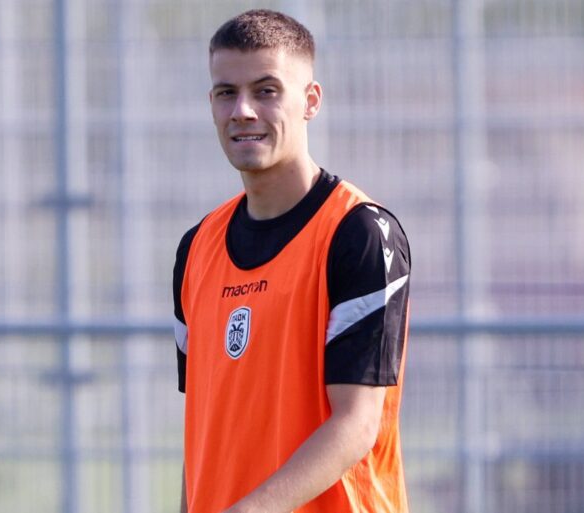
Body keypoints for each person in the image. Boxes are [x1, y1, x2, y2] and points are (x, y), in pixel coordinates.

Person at [172, 9, 411, 513]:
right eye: (226, 92)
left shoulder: (358, 233)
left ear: (310, 101)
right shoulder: (195, 249)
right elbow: (202, 432)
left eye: (266, 91)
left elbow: (356, 424)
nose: (243, 110)